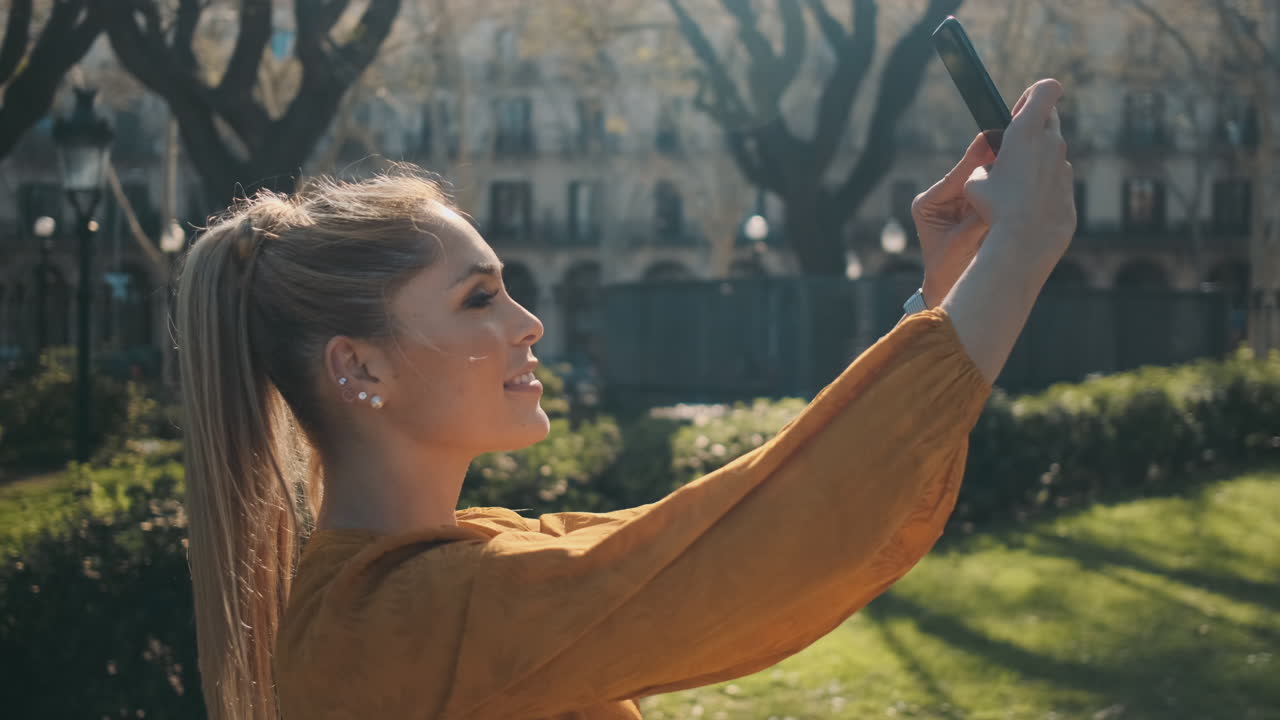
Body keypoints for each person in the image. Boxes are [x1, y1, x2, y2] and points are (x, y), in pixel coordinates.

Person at [175, 78, 1075, 720]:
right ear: (358, 369)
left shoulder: (465, 559)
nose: (529, 324)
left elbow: (724, 527)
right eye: (479, 298)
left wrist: (943, 297)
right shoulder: (393, 623)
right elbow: (766, 548)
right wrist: (1022, 245)